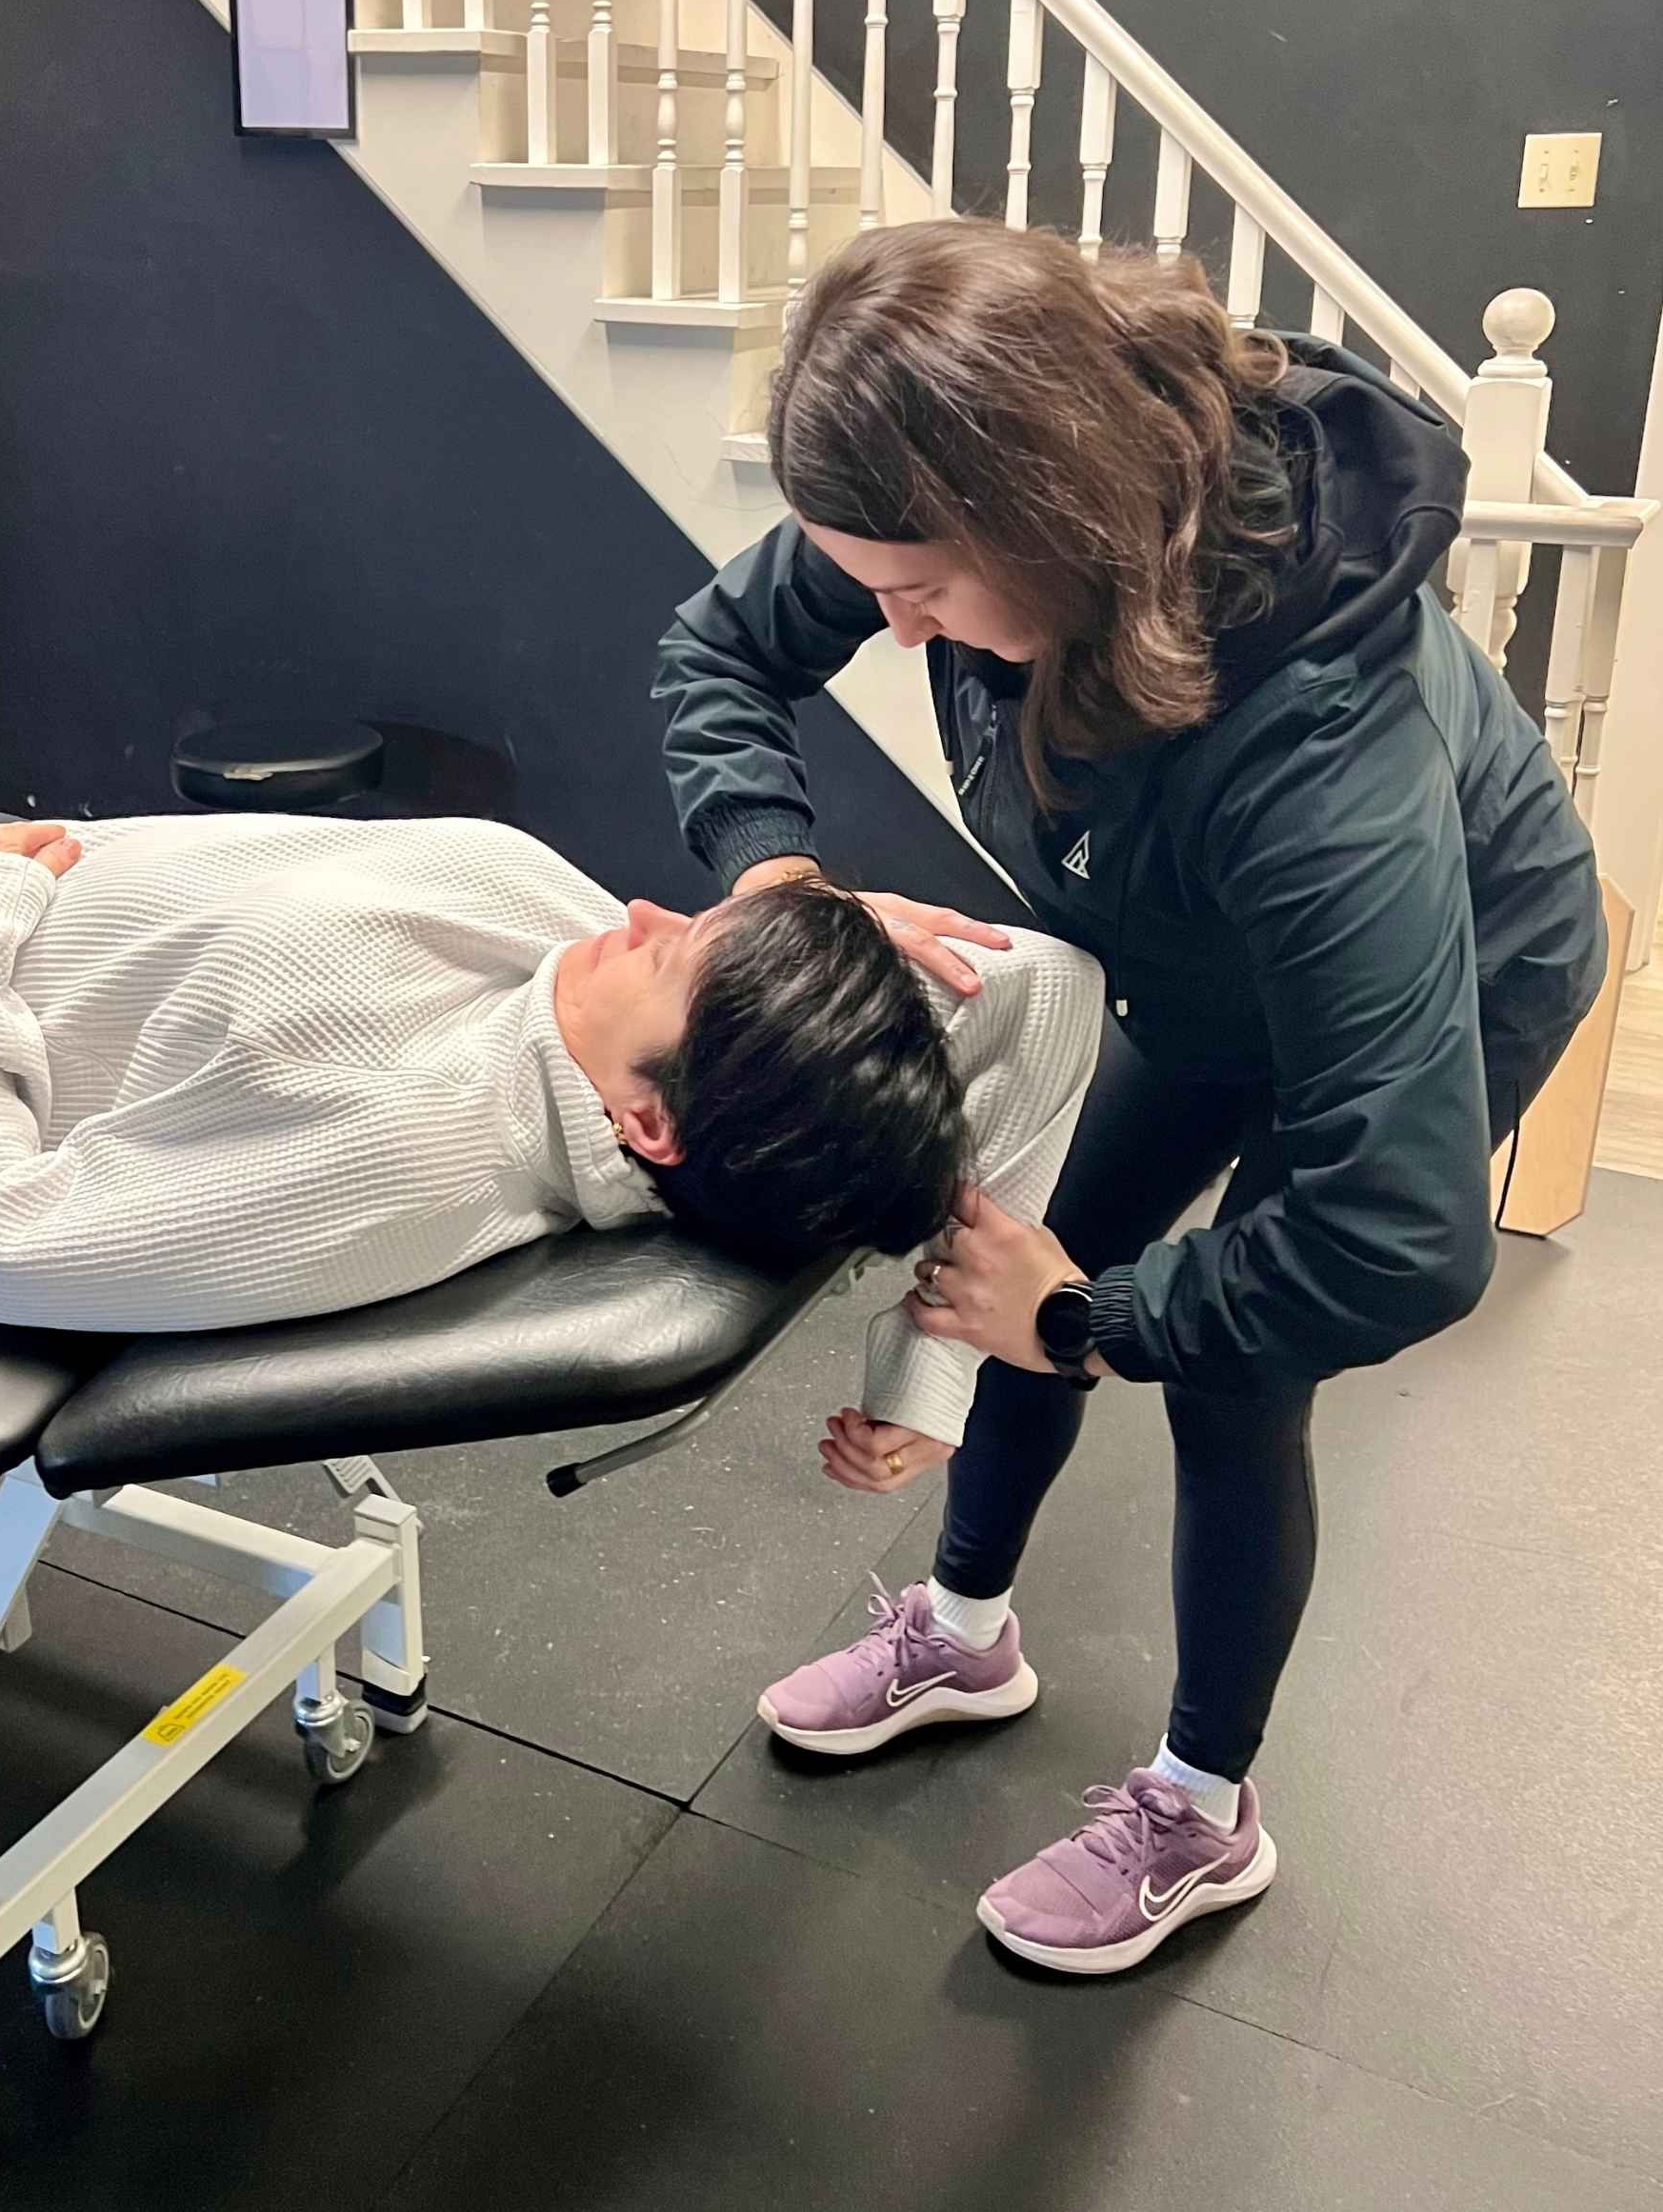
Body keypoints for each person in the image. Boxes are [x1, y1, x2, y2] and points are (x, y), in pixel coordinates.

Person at [653, 218, 1606, 1976]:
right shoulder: (937, 513)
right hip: (1191, 953)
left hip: (1449, 967)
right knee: (1022, 1247)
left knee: (1228, 1373)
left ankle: (1204, 1805)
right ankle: (965, 1633)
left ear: (1051, 522)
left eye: (919, 591)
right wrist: (775, 875)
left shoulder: (1321, 749)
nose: (888, 623)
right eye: (864, 584)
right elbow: (715, 656)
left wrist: (1094, 1319)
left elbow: (1399, 1241)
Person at [0, 802, 1099, 1463]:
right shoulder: (574, 968)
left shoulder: (402, 1153)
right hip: (16, 894)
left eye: (673, 957)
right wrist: (937, 1378)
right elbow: (1048, 984)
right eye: (696, 924)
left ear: (649, 1121)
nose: (647, 909)